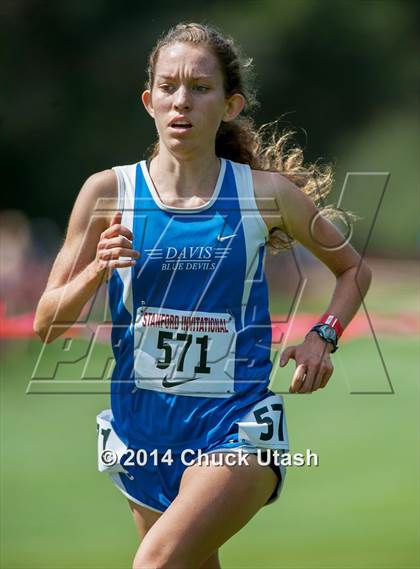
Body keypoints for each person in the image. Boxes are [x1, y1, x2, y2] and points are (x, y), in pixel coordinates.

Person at [34, 22, 372, 569]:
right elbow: (47, 325)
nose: (181, 102)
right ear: (148, 101)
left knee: (155, 564)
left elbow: (353, 270)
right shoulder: (107, 193)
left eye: (199, 87)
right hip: (141, 432)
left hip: (235, 427)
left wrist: (322, 338)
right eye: (167, 87)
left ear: (231, 104)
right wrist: (96, 269)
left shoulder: (265, 196)